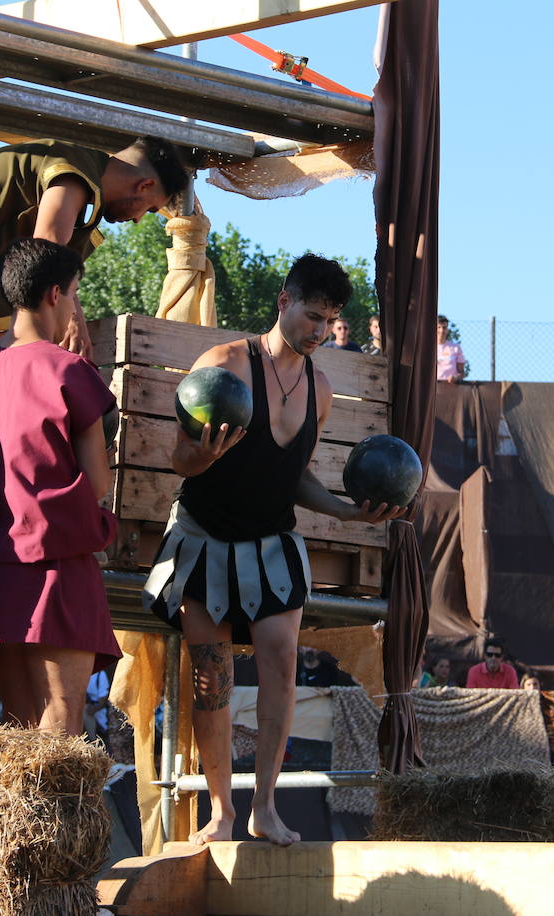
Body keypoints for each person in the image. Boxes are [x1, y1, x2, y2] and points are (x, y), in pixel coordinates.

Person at [141, 253, 401, 847]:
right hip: (204, 539)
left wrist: (344, 511)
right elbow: (179, 458)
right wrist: (203, 457)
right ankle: (221, 814)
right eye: (312, 315)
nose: (319, 330)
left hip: (272, 542)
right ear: (283, 301)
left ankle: (264, 809)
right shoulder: (223, 364)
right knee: (212, 678)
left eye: (330, 321)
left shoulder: (320, 388)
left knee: (281, 660)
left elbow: (296, 476)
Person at [0, 239, 119, 737]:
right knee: (62, 731)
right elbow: (98, 483)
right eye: (75, 295)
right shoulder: (68, 369)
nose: (74, 310)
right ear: (55, 294)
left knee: (21, 732)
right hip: (60, 563)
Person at [0, 136, 188, 386]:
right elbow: (46, 248)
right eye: (149, 210)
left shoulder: (85, 179)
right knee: (6, 388)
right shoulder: (75, 170)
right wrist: (71, 318)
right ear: (145, 185)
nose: (137, 220)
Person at [436, 315, 467, 382]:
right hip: (433, 387)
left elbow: (462, 373)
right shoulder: (428, 348)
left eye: (444, 327)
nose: (441, 330)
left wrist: (455, 377)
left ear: (447, 330)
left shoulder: (456, 347)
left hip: (451, 388)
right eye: (439, 327)